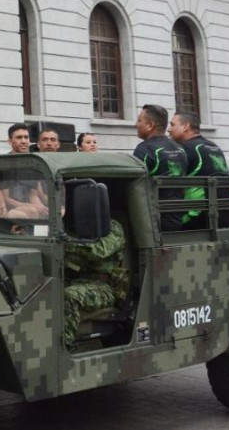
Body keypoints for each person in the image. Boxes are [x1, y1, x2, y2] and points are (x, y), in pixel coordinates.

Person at [63, 218, 126, 347]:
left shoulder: (112, 228)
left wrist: (66, 243)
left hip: (102, 287)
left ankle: (63, 347)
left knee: (70, 295)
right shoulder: (72, 227)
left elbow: (98, 251)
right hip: (75, 281)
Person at [167, 110, 229, 229]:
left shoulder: (184, 149)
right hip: (225, 214)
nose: (169, 129)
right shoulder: (214, 146)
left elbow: (171, 182)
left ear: (186, 126)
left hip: (200, 216)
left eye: (172, 124)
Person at [133, 104, 188, 232]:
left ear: (150, 125)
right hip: (177, 218)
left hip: (154, 222)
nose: (136, 124)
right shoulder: (180, 148)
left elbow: (135, 186)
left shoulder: (145, 149)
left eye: (139, 120)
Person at [0, 123, 47, 219]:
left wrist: (43, 209)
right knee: (30, 212)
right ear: (10, 141)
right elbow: (6, 200)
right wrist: (33, 207)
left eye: (26, 137)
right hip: (7, 211)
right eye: (19, 137)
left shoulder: (33, 164)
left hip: (26, 208)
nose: (23, 141)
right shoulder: (3, 165)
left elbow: (33, 196)